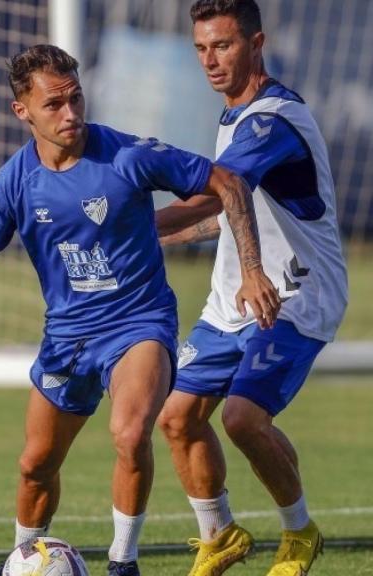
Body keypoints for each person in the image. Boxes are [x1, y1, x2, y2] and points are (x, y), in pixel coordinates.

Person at [0, 44, 280, 576]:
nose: (71, 114)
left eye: (76, 98)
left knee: (131, 433)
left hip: (139, 324)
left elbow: (226, 182)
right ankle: (22, 559)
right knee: (35, 466)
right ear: (23, 111)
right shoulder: (15, 181)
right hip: (67, 335)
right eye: (54, 105)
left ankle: (122, 562)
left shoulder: (126, 155)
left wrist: (251, 270)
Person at [155, 1, 348, 575]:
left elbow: (221, 190)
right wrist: (169, 236)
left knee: (240, 418)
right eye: (200, 49)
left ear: (256, 42)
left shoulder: (272, 119)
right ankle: (221, 536)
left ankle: (299, 534)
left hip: (294, 293)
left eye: (224, 46)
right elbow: (236, 211)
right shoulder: (233, 116)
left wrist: (134, 220)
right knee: (177, 417)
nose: (210, 61)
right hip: (232, 296)